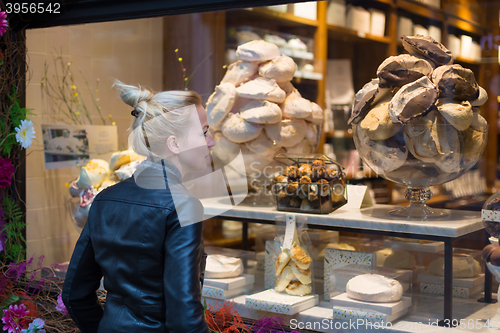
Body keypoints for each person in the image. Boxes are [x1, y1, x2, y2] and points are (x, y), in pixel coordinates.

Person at [62, 80, 214, 333]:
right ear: (174, 143)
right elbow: (184, 318)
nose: (211, 142)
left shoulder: (105, 198)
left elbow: (74, 294)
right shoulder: (183, 205)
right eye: (204, 132)